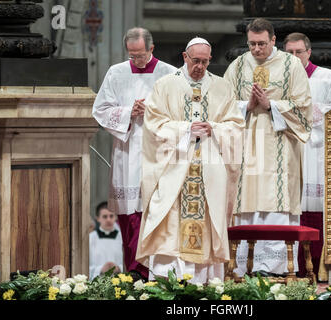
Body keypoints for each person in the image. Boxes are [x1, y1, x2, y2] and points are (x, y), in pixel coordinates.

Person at [136, 37, 245, 283]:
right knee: (169, 222)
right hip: (174, 169)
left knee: (207, 222)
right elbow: (153, 126)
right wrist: (186, 130)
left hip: (209, 169)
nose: (200, 66)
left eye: (205, 62)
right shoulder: (165, 85)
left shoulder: (222, 87)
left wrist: (214, 128)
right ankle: (169, 283)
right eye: (196, 61)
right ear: (185, 57)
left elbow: (237, 126)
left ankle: (204, 283)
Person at [224, 18, 313, 277]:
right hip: (246, 146)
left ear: (273, 41)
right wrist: (247, 106)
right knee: (246, 202)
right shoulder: (238, 66)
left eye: (262, 43)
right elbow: (222, 105)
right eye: (251, 44)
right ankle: (242, 268)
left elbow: (304, 107)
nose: (256, 49)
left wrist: (271, 105)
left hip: (281, 145)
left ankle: (274, 269)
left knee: (276, 203)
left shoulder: (291, 65)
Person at [92, 27, 177, 280]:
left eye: (140, 55)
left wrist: (149, 110)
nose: (136, 60)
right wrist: (129, 112)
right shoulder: (116, 73)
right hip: (127, 153)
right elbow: (101, 109)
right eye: (131, 55)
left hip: (160, 154)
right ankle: (135, 273)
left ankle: (161, 274)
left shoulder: (170, 74)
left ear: (152, 49)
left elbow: (180, 113)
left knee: (157, 214)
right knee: (130, 217)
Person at [284, 32, 331, 280]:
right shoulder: (279, 80)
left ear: (309, 52)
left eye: (299, 52)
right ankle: (292, 264)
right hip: (289, 147)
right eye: (289, 53)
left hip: (318, 149)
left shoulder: (328, 77)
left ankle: (320, 263)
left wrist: (311, 116)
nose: (294, 56)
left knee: (317, 203)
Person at [89, 202, 123, 280]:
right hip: (96, 282)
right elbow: (85, 265)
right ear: (98, 218)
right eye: (105, 216)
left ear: (116, 217)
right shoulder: (91, 238)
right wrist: (100, 269)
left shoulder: (123, 238)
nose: (108, 220)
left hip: (119, 282)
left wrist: (119, 268)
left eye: (111, 216)